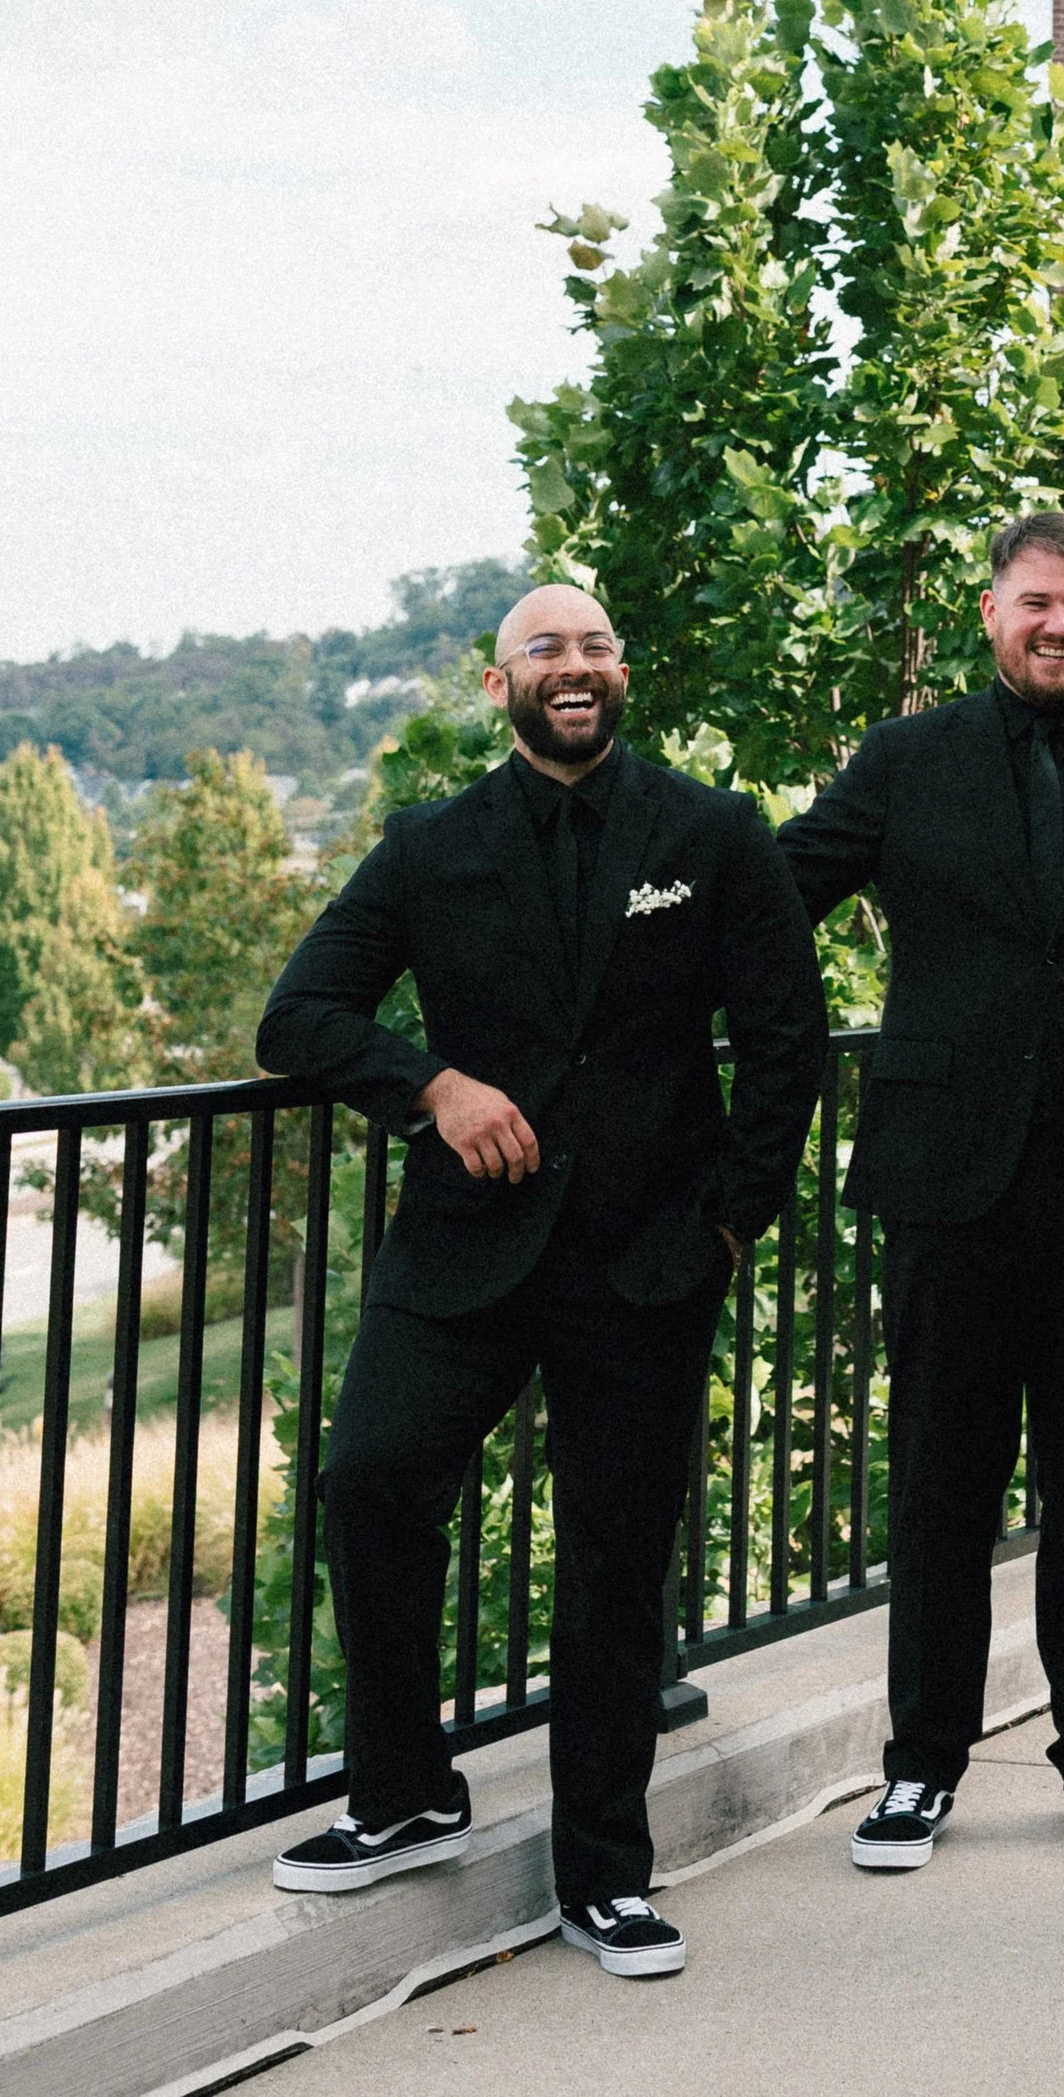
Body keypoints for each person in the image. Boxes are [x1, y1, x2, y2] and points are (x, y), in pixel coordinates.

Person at [256, 582, 826, 1978]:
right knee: (372, 1480)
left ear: (621, 673)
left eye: (592, 648)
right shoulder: (428, 847)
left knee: (616, 1568)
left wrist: (730, 1229)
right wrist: (431, 1084)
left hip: (649, 1262)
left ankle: (605, 1878)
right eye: (543, 652)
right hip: (465, 1251)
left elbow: (786, 1042)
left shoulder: (711, 833)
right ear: (498, 685)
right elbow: (299, 1017)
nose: (571, 669)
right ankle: (405, 1792)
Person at [779, 510, 1064, 1873]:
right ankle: (920, 1767)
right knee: (939, 1483)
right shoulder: (908, 760)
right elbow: (775, 892)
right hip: (945, 1179)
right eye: (1037, 603)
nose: (1059, 626)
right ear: (993, 614)